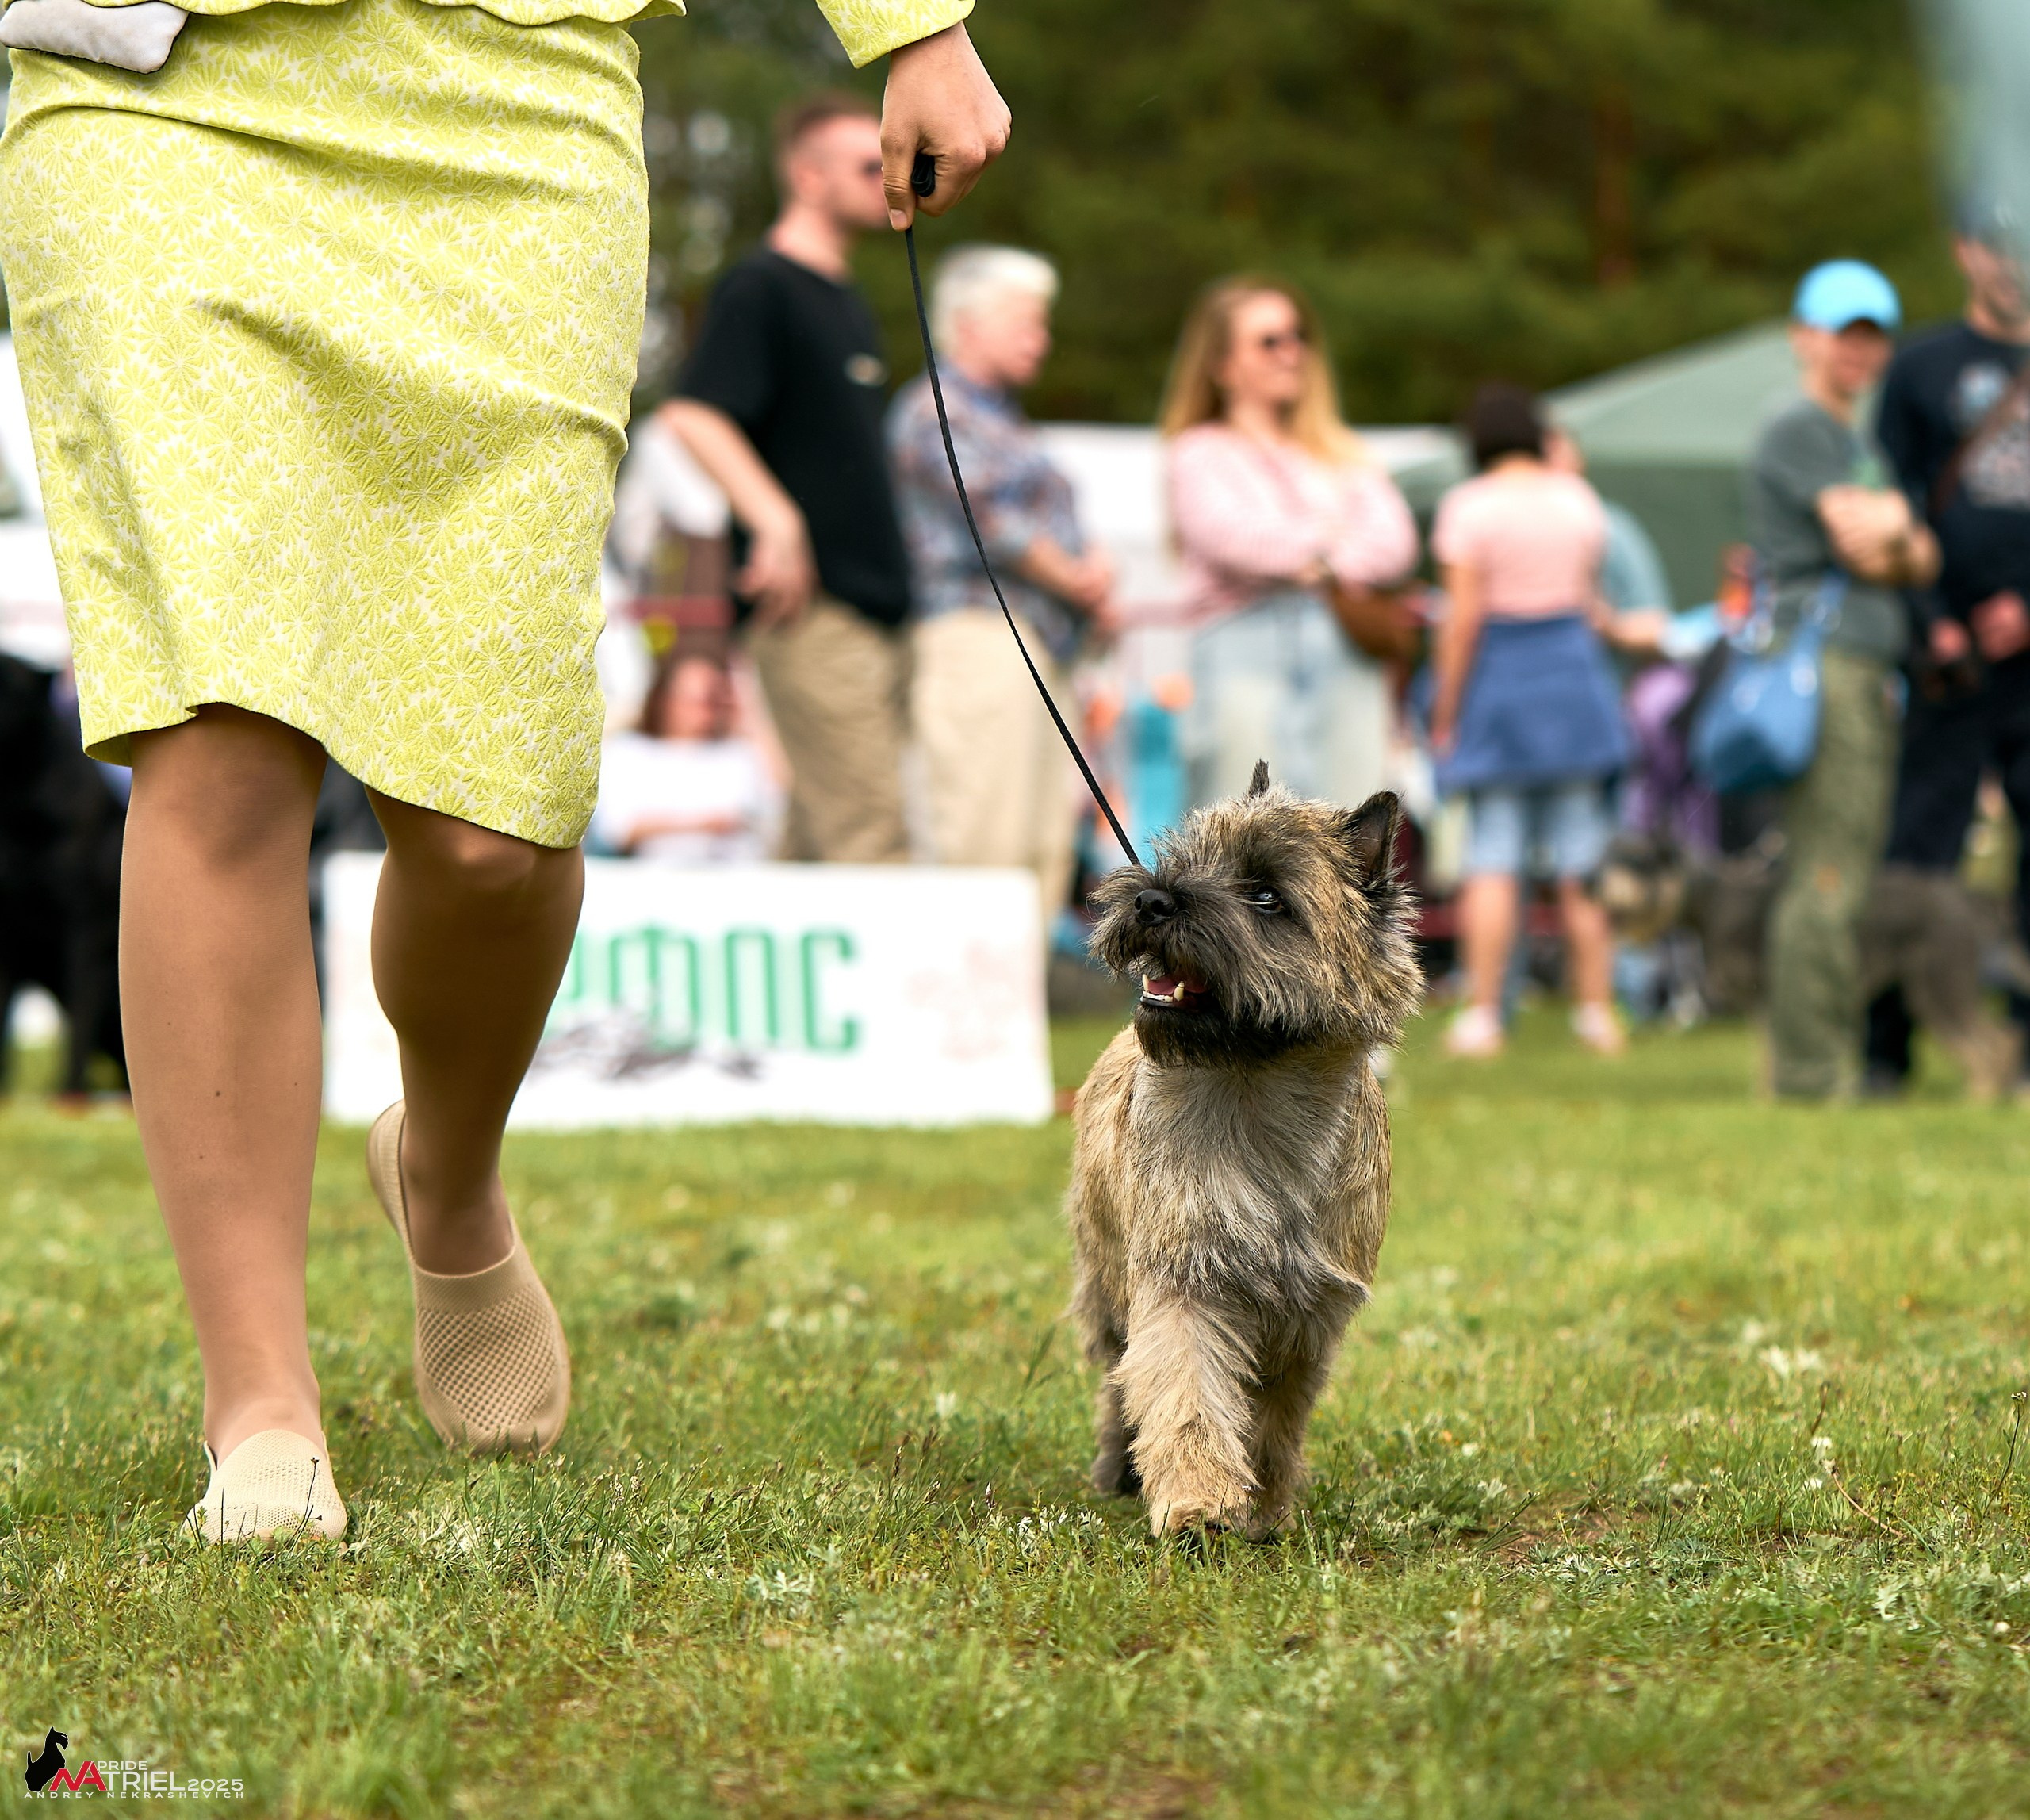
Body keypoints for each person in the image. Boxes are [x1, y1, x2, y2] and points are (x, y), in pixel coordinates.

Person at [0, 0, 1008, 1541]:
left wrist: (915, 25)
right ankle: (262, 1410)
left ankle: (446, 1171)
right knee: (217, 738)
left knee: (490, 827)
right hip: (156, 99)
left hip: (510, 102)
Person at [666, 93, 918, 866]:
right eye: (868, 164)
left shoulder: (842, 295)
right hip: (814, 608)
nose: (888, 179)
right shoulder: (762, 287)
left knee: (817, 836)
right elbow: (694, 413)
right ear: (807, 176)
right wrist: (776, 520)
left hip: (873, 609)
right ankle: (888, 992)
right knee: (869, 831)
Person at [1746, 261, 1940, 1100]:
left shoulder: (1853, 441)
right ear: (1802, 336)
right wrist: (1901, 529)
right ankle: (1812, 1071)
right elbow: (1871, 544)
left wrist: (1900, 532)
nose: (1858, 350)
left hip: (1860, 669)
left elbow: (1922, 554)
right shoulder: (1801, 429)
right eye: (1842, 332)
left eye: (1872, 334)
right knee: (1825, 872)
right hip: (1827, 668)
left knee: (1841, 868)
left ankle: (1814, 1059)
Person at [888, 245, 1111, 915]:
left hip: (1038, 642)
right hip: (979, 637)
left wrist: (1091, 572)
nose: (1040, 340)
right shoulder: (932, 409)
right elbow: (995, 520)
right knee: (984, 833)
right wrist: (1082, 579)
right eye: (1026, 322)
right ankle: (971, 1006)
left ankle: (1018, 1008)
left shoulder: (1003, 416)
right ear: (968, 322)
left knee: (1044, 835)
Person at [1864, 207, 2030, 1093]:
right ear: (1966, 251)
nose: (2011, 261)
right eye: (1994, 243)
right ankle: (1885, 1046)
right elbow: (1889, 506)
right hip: (1946, 655)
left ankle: (2023, 1048)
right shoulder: (1920, 367)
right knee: (1916, 850)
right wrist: (1934, 615)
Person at [1160, 277, 1419, 809]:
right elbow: (1227, 536)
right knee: (1238, 830)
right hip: (1240, 644)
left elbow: (1397, 541)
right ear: (1223, 364)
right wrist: (1333, 540)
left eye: (1297, 336)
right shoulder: (1198, 451)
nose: (1292, 352)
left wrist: (1313, 561)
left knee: (1349, 826)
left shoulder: (1339, 451)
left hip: (1343, 651)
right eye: (1270, 341)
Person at [1428, 384, 1630, 1060]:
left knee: (1493, 854)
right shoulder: (1577, 500)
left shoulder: (1468, 507)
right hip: (1573, 675)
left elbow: (1463, 621)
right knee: (1583, 859)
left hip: (1501, 679)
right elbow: (1592, 601)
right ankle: (1596, 1011)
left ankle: (1484, 1014)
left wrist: (1445, 709)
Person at [592, 652, 783, 864]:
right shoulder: (628, 751)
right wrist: (706, 824)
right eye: (697, 699)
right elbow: (616, 830)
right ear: (665, 699)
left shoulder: (740, 754)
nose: (707, 709)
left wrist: (750, 713)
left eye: (715, 699)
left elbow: (776, 809)